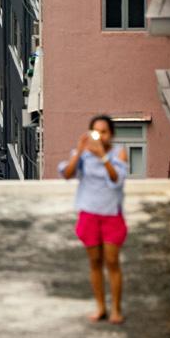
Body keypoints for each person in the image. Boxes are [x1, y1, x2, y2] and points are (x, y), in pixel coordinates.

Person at [59, 114, 129, 324]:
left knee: (112, 261)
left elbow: (117, 180)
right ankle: (100, 307)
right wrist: (80, 151)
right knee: (95, 262)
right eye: (97, 132)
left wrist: (103, 157)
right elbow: (68, 174)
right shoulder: (84, 155)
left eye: (105, 132)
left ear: (112, 134)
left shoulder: (119, 153)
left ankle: (116, 309)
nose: (101, 136)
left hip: (111, 214)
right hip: (89, 213)